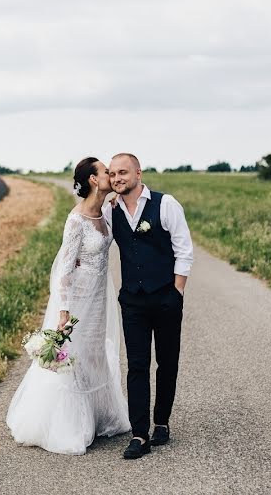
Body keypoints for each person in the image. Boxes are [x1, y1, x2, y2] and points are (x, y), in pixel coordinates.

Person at [5, 157, 130, 455]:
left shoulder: (106, 211)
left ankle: (100, 417)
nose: (111, 175)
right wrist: (63, 309)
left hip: (100, 295)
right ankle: (72, 424)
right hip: (78, 297)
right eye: (105, 171)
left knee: (95, 350)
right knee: (74, 354)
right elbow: (64, 267)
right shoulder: (76, 220)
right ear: (91, 179)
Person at [104, 152, 194, 459]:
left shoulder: (165, 204)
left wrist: (177, 292)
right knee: (137, 366)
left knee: (167, 362)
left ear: (138, 173)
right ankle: (139, 434)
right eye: (113, 173)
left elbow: (184, 250)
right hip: (132, 300)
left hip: (166, 297)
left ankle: (162, 422)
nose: (117, 178)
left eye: (123, 172)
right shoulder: (110, 209)